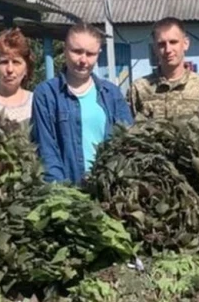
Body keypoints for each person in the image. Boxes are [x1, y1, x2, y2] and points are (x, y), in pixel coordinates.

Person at [31, 22, 133, 184]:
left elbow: (127, 141)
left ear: (98, 54)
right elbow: (46, 150)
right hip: (68, 189)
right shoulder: (46, 94)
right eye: (77, 51)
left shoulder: (111, 93)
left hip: (108, 187)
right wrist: (62, 195)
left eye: (90, 54)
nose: (83, 60)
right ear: (65, 50)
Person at [128, 17, 199, 131]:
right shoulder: (140, 89)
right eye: (161, 44)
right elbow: (129, 134)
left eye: (173, 42)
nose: (168, 49)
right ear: (154, 48)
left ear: (185, 44)